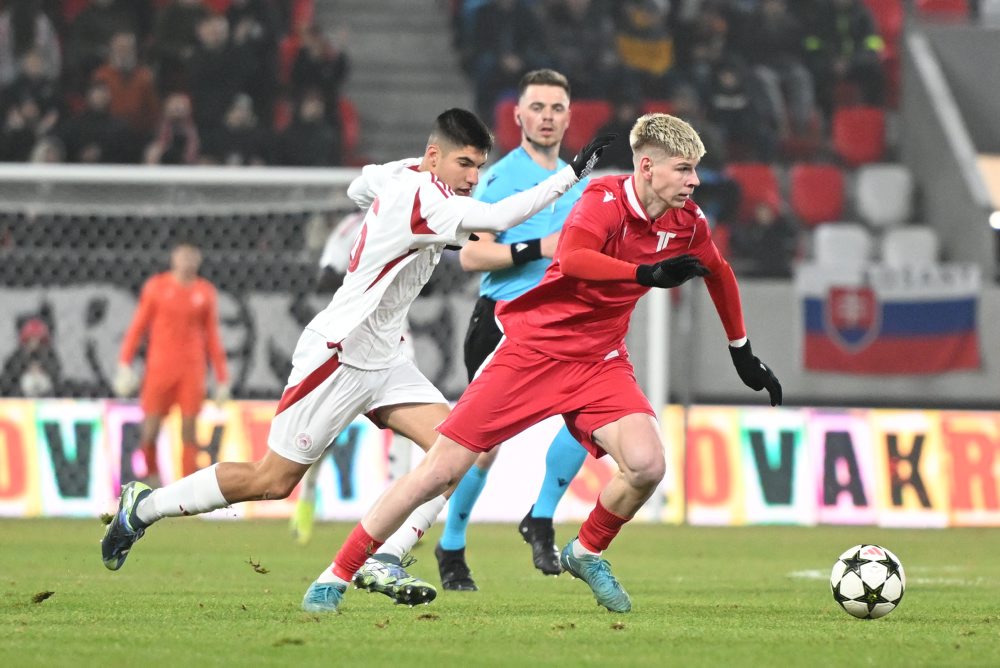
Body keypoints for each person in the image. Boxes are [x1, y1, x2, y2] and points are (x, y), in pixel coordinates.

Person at [100, 108, 613, 612]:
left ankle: (385, 556)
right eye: (465, 165)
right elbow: (499, 218)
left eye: (480, 166)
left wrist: (390, 197)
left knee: (457, 453)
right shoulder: (426, 198)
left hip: (386, 358)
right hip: (339, 355)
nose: (474, 178)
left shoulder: (403, 175)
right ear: (435, 158)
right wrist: (572, 174)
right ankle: (143, 507)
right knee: (272, 481)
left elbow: (358, 187)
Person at [315, 112, 781, 614]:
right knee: (440, 469)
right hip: (531, 351)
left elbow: (720, 272)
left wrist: (742, 352)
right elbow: (575, 259)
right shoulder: (601, 201)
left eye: (694, 172)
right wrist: (645, 274)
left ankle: (586, 551)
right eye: (684, 170)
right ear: (647, 167)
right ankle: (337, 574)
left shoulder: (687, 222)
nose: (693, 181)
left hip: (600, 361)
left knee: (647, 466)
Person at [432, 69, 590, 592]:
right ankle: (451, 544)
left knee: (589, 420)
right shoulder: (498, 178)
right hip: (503, 319)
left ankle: (541, 516)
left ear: (569, 116)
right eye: (537, 107)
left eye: (556, 108)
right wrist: (540, 248)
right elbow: (473, 254)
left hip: (567, 322)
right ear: (518, 115)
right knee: (482, 445)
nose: (547, 117)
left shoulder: (581, 182)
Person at [289, 210, 417, 546]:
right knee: (326, 429)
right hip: (354, 333)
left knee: (410, 420)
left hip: (395, 334)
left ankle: (399, 511)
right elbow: (325, 274)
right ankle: (308, 493)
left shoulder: (418, 213)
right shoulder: (354, 224)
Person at [113, 242, 229, 485]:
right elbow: (138, 327)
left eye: (191, 257)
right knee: (150, 430)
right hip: (159, 369)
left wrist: (222, 378)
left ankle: (187, 488)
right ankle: (152, 479)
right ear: (173, 259)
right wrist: (124, 362)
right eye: (183, 256)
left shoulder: (204, 292)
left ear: (198, 261)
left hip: (192, 371)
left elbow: (212, 337)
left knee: (189, 429)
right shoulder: (156, 287)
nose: (187, 261)